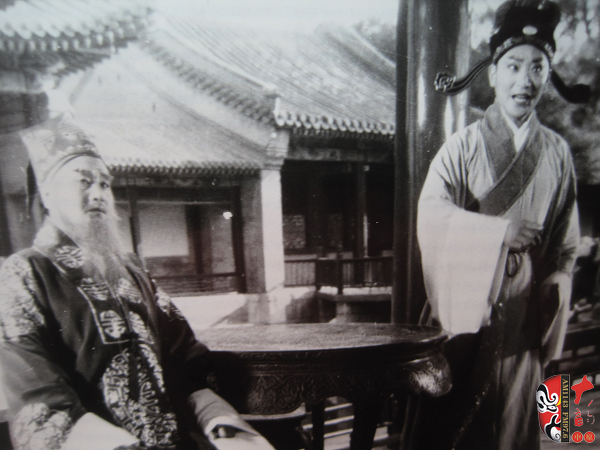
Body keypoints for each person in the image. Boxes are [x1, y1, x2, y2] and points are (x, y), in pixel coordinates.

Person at [0, 113, 274, 450]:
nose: (98, 193)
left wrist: (217, 420)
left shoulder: (131, 270)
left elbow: (185, 357)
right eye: (84, 181)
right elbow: (39, 397)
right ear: (46, 194)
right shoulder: (24, 274)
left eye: (105, 183)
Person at [411, 1, 590, 449]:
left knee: (521, 425)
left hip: (526, 319)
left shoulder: (557, 153)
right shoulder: (462, 146)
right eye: (513, 66)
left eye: (537, 67)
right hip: (464, 314)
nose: (524, 80)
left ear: (547, 76)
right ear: (492, 74)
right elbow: (431, 215)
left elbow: (565, 242)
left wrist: (558, 280)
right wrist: (498, 233)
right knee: (455, 429)